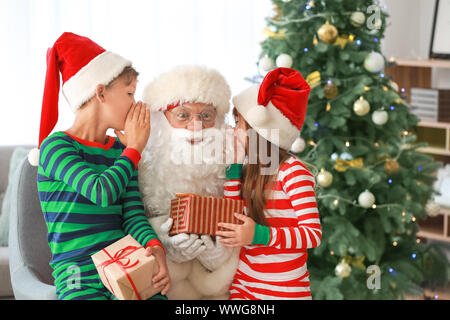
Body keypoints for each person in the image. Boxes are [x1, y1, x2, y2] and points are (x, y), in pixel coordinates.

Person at [32, 32, 170, 300]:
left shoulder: (120, 151)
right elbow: (100, 191)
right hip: (77, 273)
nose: (135, 103)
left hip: (125, 264)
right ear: (100, 93)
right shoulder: (57, 147)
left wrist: (155, 247)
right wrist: (134, 149)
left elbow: (131, 214)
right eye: (129, 93)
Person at [217, 67, 322, 300]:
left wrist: (260, 236)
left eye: (238, 124)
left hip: (283, 291)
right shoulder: (247, 172)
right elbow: (232, 215)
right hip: (244, 285)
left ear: (259, 131)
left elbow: (312, 234)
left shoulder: (292, 172)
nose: (233, 131)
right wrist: (234, 166)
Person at [138, 65, 240, 299]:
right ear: (161, 121)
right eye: (183, 115)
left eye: (206, 116)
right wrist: (164, 246)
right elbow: (127, 226)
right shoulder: (138, 165)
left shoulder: (236, 165)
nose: (196, 127)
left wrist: (220, 256)